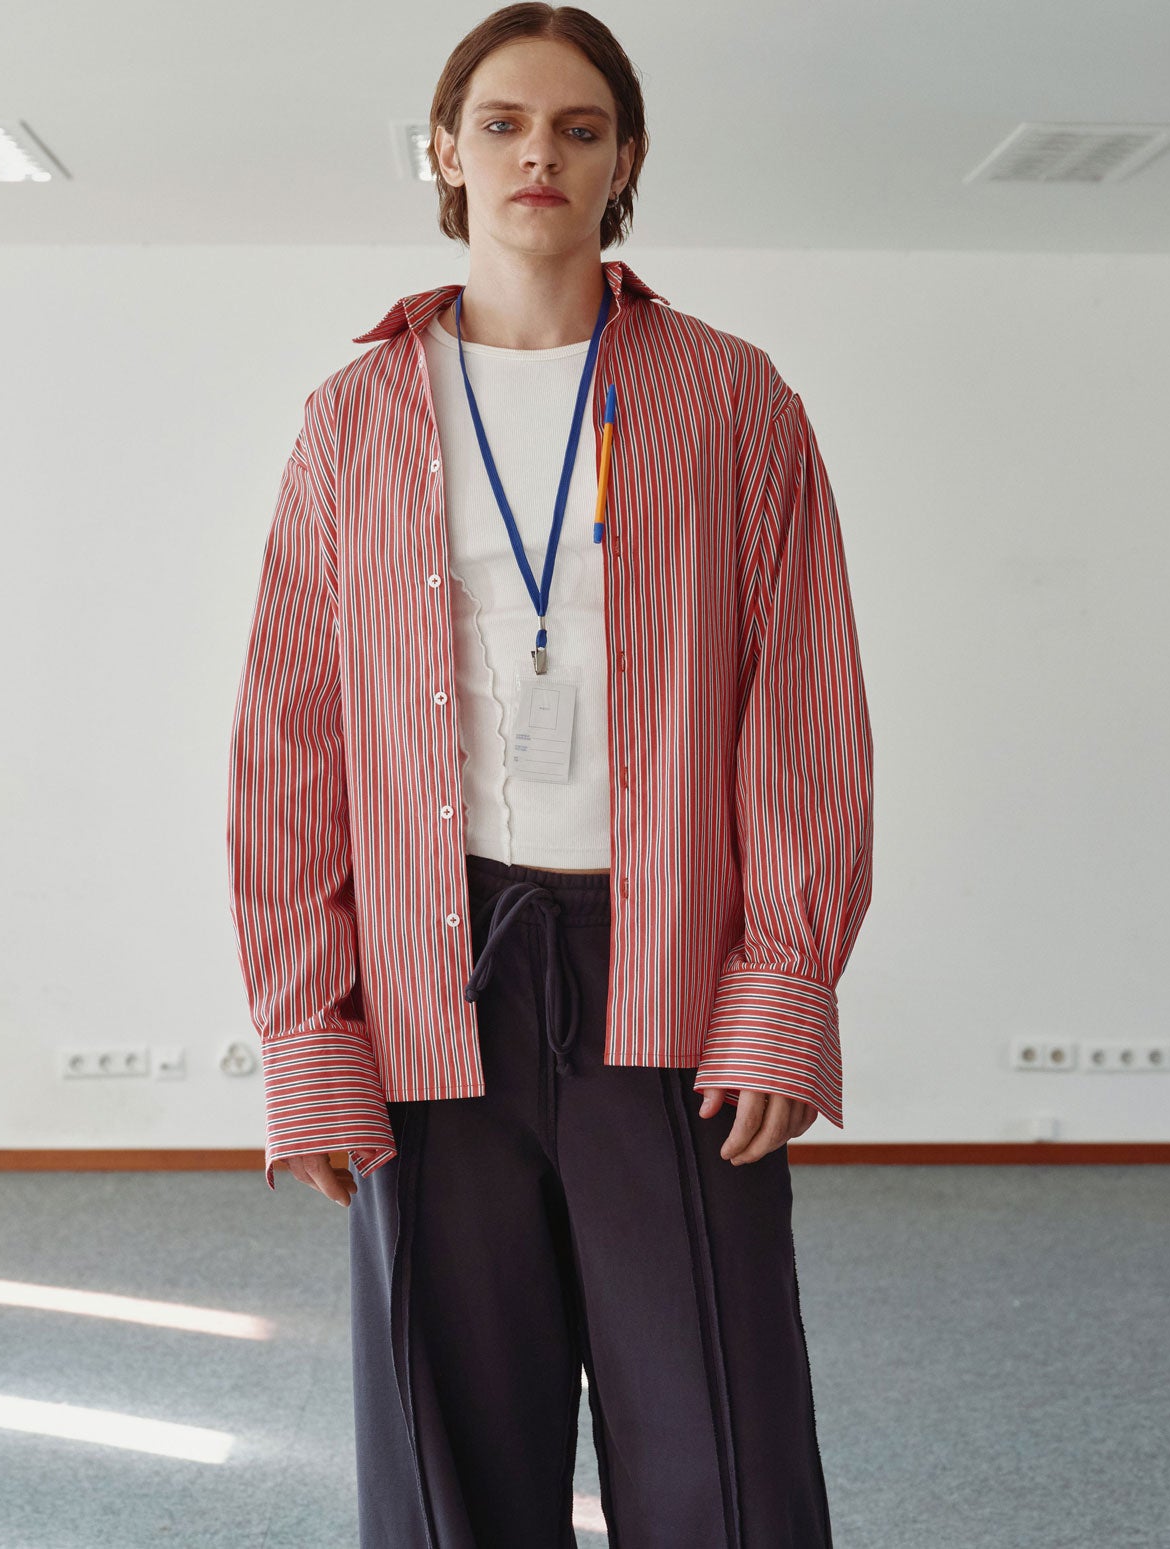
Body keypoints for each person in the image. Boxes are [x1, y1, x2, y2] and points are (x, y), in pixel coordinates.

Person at [227, 6, 873, 1544]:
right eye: (503, 124)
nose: (540, 154)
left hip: (670, 968)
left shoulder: (732, 399)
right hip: (431, 969)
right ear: (444, 154)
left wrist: (783, 981)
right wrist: (306, 1024)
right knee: (449, 1433)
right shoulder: (351, 420)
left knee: (718, 1427)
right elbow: (290, 736)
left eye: (579, 129)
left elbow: (801, 708)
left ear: (623, 160)